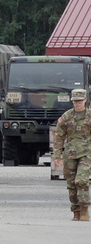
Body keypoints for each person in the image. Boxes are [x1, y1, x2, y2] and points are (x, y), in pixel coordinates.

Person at [53, 88, 91, 221]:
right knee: (71, 184)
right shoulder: (66, 117)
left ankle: (85, 209)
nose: (77, 103)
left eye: (80, 101)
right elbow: (59, 138)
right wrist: (57, 156)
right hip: (70, 154)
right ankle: (76, 211)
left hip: (87, 154)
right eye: (75, 101)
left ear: (85, 100)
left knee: (82, 181)